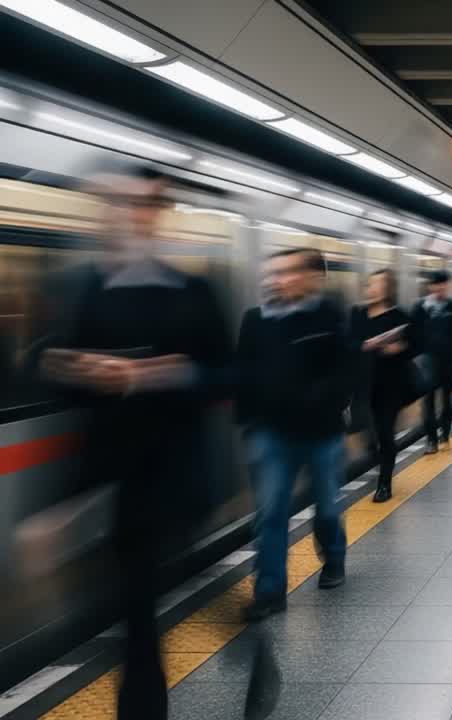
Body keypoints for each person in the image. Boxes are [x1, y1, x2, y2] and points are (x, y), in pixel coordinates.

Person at [33, 166, 234, 719]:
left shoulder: (195, 292)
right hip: (97, 479)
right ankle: (246, 638)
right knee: (109, 611)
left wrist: (158, 376)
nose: (125, 214)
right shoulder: (77, 287)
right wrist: (67, 365)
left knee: (139, 618)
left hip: (165, 477)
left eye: (139, 205)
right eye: (116, 204)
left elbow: (229, 375)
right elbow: (42, 364)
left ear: (156, 213)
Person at [237, 248, 352, 621]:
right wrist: (249, 423)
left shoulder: (329, 315)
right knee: (270, 514)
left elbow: (345, 370)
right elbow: (243, 371)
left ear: (311, 277)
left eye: (288, 272)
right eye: (275, 273)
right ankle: (269, 591)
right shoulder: (255, 319)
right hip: (272, 435)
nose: (279, 279)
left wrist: (324, 400)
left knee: (328, 505)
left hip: (322, 432)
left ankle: (333, 557)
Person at [351, 269, 416, 502]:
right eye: (371, 284)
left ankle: (384, 484)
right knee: (367, 436)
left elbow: (414, 345)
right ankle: (378, 461)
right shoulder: (357, 314)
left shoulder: (400, 317)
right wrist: (363, 346)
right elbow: (347, 343)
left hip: (389, 385)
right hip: (362, 385)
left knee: (385, 434)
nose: (374, 288)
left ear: (389, 288)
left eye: (379, 284)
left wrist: (399, 349)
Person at [412, 270, 452, 454]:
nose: (440, 288)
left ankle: (445, 435)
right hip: (427, 364)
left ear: (447, 286)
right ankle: (431, 440)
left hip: (449, 363)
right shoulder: (420, 308)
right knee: (428, 403)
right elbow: (413, 334)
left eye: (444, 284)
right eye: (437, 284)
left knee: (447, 402)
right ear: (431, 286)